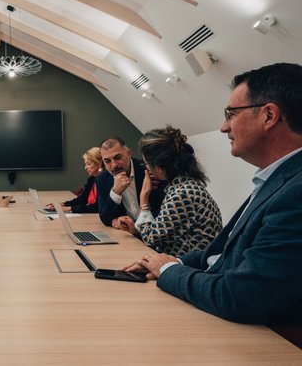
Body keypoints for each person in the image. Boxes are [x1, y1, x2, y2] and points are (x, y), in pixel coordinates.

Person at [123, 63, 302, 329]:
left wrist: (168, 271)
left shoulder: (295, 193)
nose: (223, 127)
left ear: (269, 116)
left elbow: (241, 296)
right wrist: (176, 262)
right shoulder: (275, 179)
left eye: (231, 114)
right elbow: (218, 254)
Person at [112, 127, 223, 256]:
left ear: (159, 168)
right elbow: (164, 233)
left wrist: (143, 198)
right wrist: (137, 231)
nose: (146, 169)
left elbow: (150, 238)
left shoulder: (182, 194)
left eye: (146, 164)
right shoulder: (186, 186)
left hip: (188, 269)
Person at [95, 137, 166, 226]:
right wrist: (115, 192)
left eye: (118, 157)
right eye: (107, 161)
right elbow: (106, 219)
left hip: (153, 231)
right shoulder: (102, 179)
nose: (114, 165)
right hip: (126, 234)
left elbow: (164, 211)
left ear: (129, 153)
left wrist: (135, 225)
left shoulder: (149, 170)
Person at [48, 147, 102, 213]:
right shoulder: (92, 179)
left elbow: (97, 207)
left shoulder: (106, 181)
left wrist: (69, 208)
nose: (85, 167)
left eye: (89, 164)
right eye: (85, 164)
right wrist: (64, 204)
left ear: (99, 164)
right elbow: (82, 199)